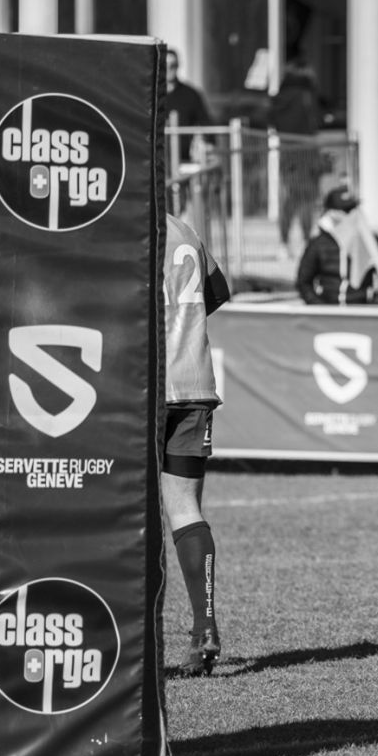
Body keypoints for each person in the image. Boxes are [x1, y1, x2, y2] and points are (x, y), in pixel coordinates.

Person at [162, 214, 230, 676]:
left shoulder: (123, 226)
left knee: (128, 509)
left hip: (144, 387)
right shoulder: (183, 229)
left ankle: (127, 635)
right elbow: (217, 292)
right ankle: (204, 626)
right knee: (185, 507)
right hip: (195, 385)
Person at [296, 186, 378, 305]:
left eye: (354, 208)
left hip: (362, 309)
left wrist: (375, 306)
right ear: (331, 213)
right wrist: (320, 307)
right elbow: (303, 282)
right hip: (328, 309)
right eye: (347, 210)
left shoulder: (370, 241)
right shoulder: (318, 244)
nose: (353, 214)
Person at [268, 58, 326, 257]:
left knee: (289, 200)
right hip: (306, 153)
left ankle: (284, 243)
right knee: (306, 200)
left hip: (287, 154)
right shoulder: (306, 95)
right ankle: (305, 241)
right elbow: (316, 121)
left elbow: (271, 119)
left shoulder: (280, 97)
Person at [164, 49, 214, 164]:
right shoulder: (151, 96)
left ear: (178, 66)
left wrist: (204, 141)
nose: (169, 69)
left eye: (173, 65)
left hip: (185, 161)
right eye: (165, 65)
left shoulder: (191, 94)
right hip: (156, 162)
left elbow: (206, 124)